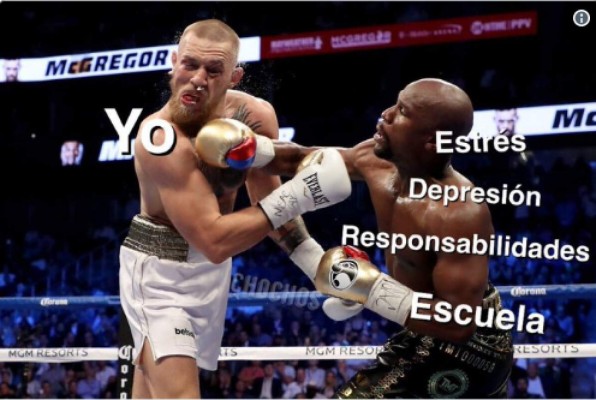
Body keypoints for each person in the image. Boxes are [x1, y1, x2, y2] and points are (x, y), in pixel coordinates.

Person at [235, 78, 514, 398]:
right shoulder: (373, 158)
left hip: (472, 347)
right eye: (395, 103)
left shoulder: (460, 213)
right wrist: (247, 148)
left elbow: (458, 324)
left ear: (430, 141)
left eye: (403, 112)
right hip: (421, 332)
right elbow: (299, 159)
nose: (387, 114)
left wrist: (369, 288)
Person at [118, 19, 351, 399]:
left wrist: (317, 267)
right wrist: (304, 192)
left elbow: (268, 204)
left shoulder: (254, 117)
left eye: (213, 70)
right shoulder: (158, 138)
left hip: (212, 273)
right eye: (189, 64)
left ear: (235, 76)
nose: (198, 79)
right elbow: (213, 239)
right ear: (174, 62)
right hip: (158, 273)